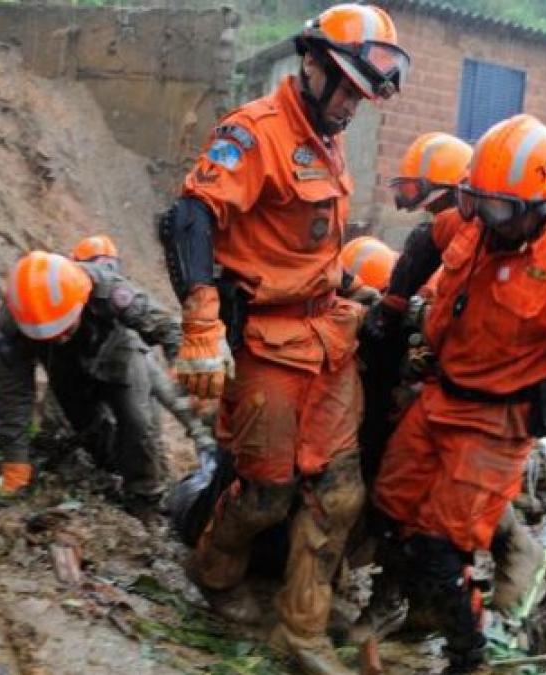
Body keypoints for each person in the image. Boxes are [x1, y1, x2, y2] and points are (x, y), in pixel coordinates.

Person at [156, 4, 409, 672]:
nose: (353, 106)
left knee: (340, 493)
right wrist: (202, 323)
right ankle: (212, 572)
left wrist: (358, 292)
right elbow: (191, 216)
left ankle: (301, 630)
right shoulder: (254, 133)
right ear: (313, 65)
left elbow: (312, 243)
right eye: (348, 89)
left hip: (328, 339)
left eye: (362, 95)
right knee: (265, 494)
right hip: (267, 345)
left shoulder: (330, 135)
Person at [368, 115, 546, 672]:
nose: (485, 220)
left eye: (499, 210)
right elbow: (427, 238)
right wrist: (395, 308)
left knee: (438, 549)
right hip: (439, 395)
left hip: (495, 423)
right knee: (388, 510)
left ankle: (466, 655)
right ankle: (404, 609)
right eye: (478, 203)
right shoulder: (476, 220)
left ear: (541, 205)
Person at [0, 251, 182, 518]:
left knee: (137, 422)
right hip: (65, 369)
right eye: (53, 334)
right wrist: (15, 461)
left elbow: (168, 326)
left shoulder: (106, 288)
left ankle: (145, 498)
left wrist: (181, 363)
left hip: (119, 354)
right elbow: (13, 393)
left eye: (65, 328)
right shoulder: (14, 323)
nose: (60, 337)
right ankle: (113, 473)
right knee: (90, 431)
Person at [69, 235, 217, 458]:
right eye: (102, 267)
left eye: (109, 268)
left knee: (149, 412)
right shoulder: (70, 296)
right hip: (84, 362)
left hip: (118, 354)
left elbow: (162, 326)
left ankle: (203, 439)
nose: (107, 273)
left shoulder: (115, 297)